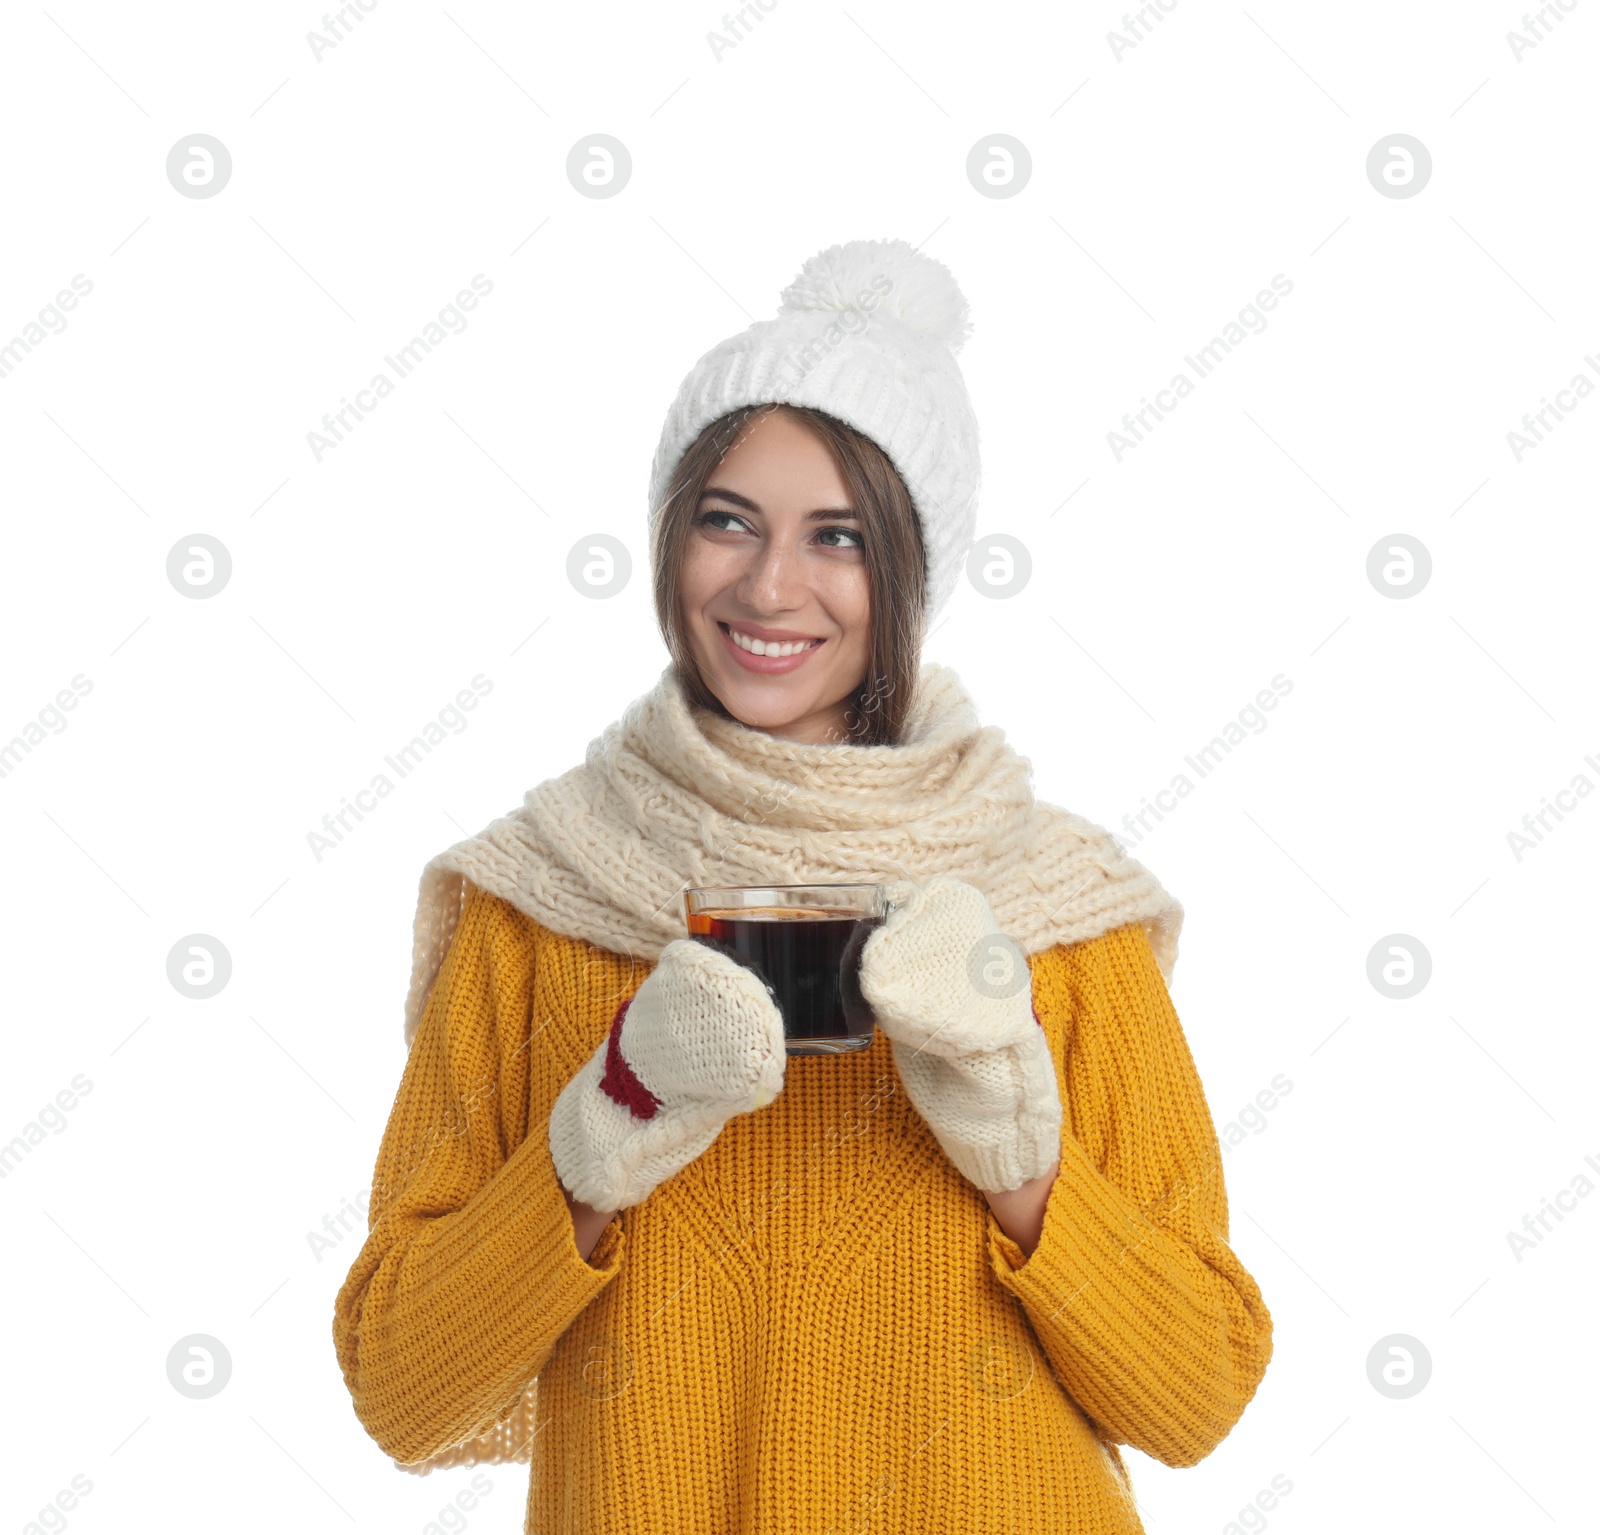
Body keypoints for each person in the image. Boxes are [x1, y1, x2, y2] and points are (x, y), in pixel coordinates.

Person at [332, 238, 1274, 1532]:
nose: (770, 586)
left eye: (839, 537)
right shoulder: (543, 900)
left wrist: (1024, 1165)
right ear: (669, 540)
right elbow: (402, 1388)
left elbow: (1199, 1394)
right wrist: (600, 1128)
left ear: (911, 575)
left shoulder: (1050, 906)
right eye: (727, 520)